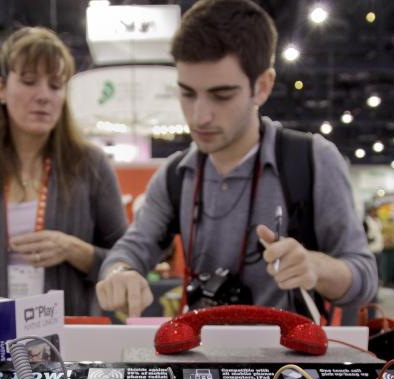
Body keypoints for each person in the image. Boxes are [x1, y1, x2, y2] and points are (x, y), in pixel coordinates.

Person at [95, 0, 377, 320]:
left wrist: (316, 267)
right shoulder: (176, 175)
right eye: (187, 93)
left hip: (289, 363)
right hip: (199, 357)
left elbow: (364, 276)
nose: (200, 116)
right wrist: (120, 273)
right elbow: (130, 249)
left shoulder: (312, 161)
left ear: (263, 86)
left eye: (222, 95)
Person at [0, 27, 128, 321]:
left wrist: (74, 249)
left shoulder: (91, 166)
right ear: (0, 88)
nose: (44, 96)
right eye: (30, 81)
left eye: (56, 85)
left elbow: (124, 259)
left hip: (68, 344)